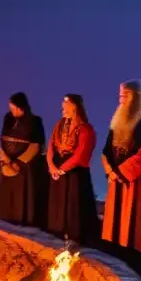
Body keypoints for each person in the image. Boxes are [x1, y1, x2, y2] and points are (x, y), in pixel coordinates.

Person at [100, 80, 141, 275]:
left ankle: (137, 262)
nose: (121, 98)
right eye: (120, 94)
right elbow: (106, 150)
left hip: (134, 182)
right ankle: (119, 257)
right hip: (117, 180)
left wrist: (119, 173)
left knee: (136, 220)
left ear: (136, 97)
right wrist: (110, 172)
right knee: (117, 220)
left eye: (125, 94)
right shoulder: (117, 121)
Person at [46, 94, 100, 245]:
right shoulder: (59, 125)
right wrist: (51, 166)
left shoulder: (85, 129)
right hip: (57, 172)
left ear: (75, 106)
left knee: (73, 208)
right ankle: (56, 234)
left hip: (75, 174)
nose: (62, 107)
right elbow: (50, 146)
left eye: (66, 103)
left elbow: (81, 154)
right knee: (58, 206)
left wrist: (62, 169)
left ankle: (75, 239)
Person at [0, 92, 49, 228]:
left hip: (24, 167)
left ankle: (24, 223)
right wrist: (5, 160)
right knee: (7, 196)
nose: (13, 111)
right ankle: (5, 220)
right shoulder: (8, 118)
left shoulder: (35, 121)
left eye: (15, 108)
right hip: (7, 163)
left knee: (22, 196)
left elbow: (36, 145)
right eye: (11, 108)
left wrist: (18, 163)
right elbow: (2, 139)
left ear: (23, 107)